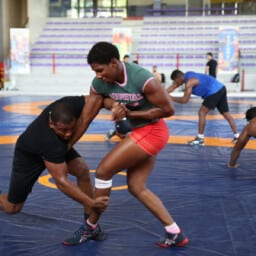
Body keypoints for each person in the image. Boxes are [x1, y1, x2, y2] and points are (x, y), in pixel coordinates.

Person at [64, 42, 189, 248]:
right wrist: (67, 146)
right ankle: (174, 232)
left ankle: (91, 227)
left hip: (153, 130)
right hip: (141, 132)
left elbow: (168, 110)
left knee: (103, 171)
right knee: (136, 187)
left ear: (114, 63)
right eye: (95, 71)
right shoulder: (99, 83)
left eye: (100, 70)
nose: (98, 75)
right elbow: (86, 118)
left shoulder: (143, 78)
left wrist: (131, 114)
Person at [0, 96, 109, 242]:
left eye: (71, 129)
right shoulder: (48, 141)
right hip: (29, 155)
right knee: (12, 208)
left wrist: (116, 105)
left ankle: (90, 226)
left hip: (55, 146)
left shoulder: (70, 105)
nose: (68, 134)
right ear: (51, 123)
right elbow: (62, 182)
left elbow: (98, 99)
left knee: (81, 169)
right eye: (63, 130)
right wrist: (90, 202)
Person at [167, 69, 239, 146]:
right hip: (221, 88)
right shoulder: (187, 75)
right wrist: (163, 94)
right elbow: (173, 86)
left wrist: (171, 98)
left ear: (179, 78)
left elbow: (185, 100)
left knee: (202, 112)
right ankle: (237, 137)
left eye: (175, 81)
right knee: (225, 113)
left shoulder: (189, 82)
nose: (174, 83)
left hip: (213, 92)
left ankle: (200, 139)